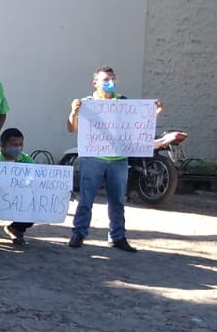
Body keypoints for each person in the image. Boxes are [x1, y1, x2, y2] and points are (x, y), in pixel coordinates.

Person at [66, 66, 163, 252]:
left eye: (112, 78)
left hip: (118, 159)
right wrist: (73, 112)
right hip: (93, 158)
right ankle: (79, 233)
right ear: (95, 83)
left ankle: (117, 236)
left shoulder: (124, 102)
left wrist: (155, 113)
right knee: (86, 199)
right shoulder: (87, 103)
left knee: (118, 200)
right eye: (105, 79)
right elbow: (72, 128)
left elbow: (139, 124)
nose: (110, 82)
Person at [0, 127, 35, 245]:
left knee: (36, 204)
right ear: (2, 145)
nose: (18, 147)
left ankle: (16, 229)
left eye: (20, 144)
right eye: (14, 144)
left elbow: (36, 182)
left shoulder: (27, 160)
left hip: (18, 197)